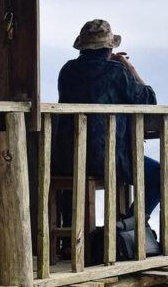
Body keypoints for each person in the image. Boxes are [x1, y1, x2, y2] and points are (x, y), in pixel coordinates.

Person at [52, 19, 160, 224]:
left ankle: (68, 238)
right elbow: (149, 100)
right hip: (107, 159)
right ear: (109, 47)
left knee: (72, 177)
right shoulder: (117, 72)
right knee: (159, 176)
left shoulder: (67, 71)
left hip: (68, 159)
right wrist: (129, 67)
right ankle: (129, 227)